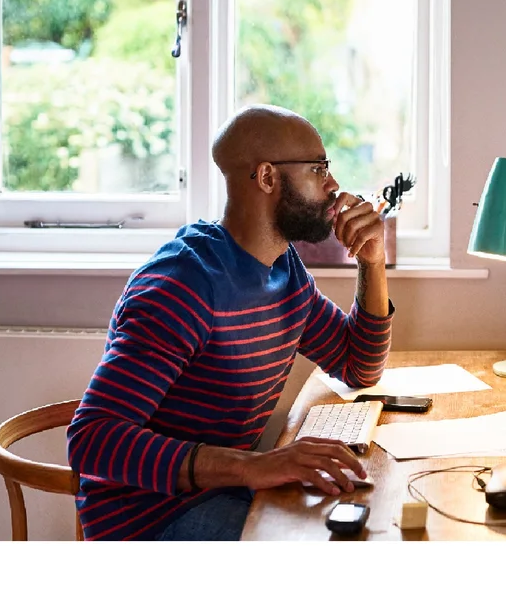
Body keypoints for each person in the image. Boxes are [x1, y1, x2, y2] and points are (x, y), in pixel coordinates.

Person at [66, 104, 394, 541]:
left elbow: (359, 367)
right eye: (318, 169)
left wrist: (373, 260)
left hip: (225, 493)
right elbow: (92, 439)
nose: (333, 185)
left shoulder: (284, 269)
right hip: (152, 521)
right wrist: (254, 466)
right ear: (266, 178)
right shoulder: (184, 285)